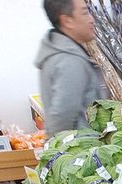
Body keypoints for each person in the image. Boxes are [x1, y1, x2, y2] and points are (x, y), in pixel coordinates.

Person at [35, 0, 108, 134]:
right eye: (85, 13)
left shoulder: (58, 51)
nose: (92, 20)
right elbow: (62, 117)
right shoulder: (69, 60)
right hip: (82, 145)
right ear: (67, 21)